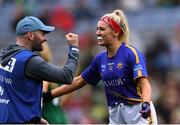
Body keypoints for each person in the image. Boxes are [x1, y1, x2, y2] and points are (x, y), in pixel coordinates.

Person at [43, 9, 158, 124]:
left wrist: (146, 104)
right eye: (97, 29)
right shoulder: (100, 59)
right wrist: (50, 95)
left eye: (102, 29)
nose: (97, 33)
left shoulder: (131, 53)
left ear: (116, 32)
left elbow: (144, 83)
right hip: (115, 114)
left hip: (137, 111)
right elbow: (78, 81)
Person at [0, 16, 79, 123]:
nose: (45, 38)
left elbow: (14, 94)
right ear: (31, 35)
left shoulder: (4, 55)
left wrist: (34, 118)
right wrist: (74, 48)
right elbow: (67, 76)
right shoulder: (29, 60)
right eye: (42, 34)